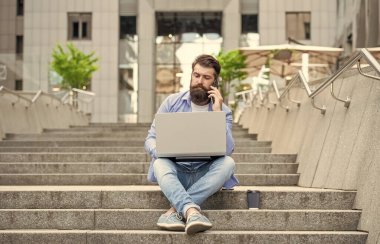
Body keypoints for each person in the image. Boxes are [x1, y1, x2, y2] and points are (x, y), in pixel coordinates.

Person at [144, 54, 239, 235]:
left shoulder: (223, 111)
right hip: (176, 173)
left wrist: (217, 113)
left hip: (204, 174)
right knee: (159, 163)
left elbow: (227, 150)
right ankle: (191, 212)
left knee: (228, 163)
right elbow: (150, 139)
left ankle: (174, 211)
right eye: (196, 75)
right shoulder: (171, 103)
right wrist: (160, 150)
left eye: (206, 77)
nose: (199, 81)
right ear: (191, 75)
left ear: (215, 82)